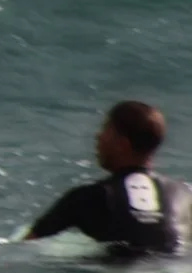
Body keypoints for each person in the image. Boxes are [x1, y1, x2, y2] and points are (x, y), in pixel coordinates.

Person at [25, 101, 190, 259]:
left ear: (122, 144)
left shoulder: (89, 197)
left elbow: (25, 248)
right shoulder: (183, 195)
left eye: (105, 130)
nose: (98, 137)